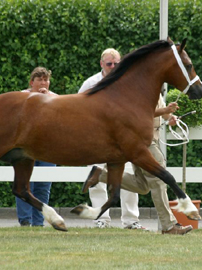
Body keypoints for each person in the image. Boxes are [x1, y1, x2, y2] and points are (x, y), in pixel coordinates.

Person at [82, 96, 194, 235]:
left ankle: (102, 174)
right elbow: (141, 113)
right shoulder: (142, 86)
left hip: (146, 140)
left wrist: (169, 116)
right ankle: (169, 226)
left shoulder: (155, 88)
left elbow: (160, 113)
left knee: (143, 186)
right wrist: (164, 110)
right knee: (158, 181)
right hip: (144, 141)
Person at [78, 48, 147, 230]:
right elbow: (77, 107)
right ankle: (102, 219)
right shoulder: (91, 83)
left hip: (123, 140)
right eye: (109, 64)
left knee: (127, 180)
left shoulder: (128, 82)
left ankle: (131, 221)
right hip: (96, 139)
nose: (113, 66)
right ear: (102, 64)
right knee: (97, 180)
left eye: (116, 63)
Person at [15, 67, 56, 227]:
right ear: (32, 82)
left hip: (48, 149)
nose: (43, 83)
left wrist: (48, 101)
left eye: (46, 80)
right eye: (40, 80)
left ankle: (39, 222)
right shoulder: (21, 97)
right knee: (25, 184)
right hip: (26, 148)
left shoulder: (55, 98)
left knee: (43, 186)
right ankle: (25, 221)